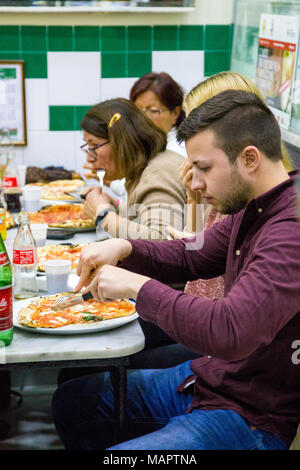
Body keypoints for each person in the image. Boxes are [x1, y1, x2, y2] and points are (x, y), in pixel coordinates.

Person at [52, 89, 300, 450]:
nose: (195, 182)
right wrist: (127, 247)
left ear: (249, 158)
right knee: (74, 401)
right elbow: (193, 253)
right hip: (213, 379)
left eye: (203, 168)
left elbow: (231, 329)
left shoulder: (289, 230)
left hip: (249, 417)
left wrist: (137, 286)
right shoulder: (255, 206)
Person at [80, 98, 187, 240]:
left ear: (121, 142)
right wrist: (115, 205)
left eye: (94, 146)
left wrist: (104, 215)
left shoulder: (157, 174)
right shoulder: (148, 165)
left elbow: (163, 240)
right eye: (87, 147)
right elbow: (145, 216)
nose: (89, 158)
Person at [130, 72, 187, 157]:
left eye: (153, 111)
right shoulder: (135, 146)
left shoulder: (181, 152)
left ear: (175, 113)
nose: (142, 118)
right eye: (137, 110)